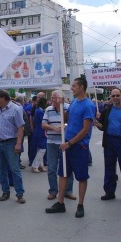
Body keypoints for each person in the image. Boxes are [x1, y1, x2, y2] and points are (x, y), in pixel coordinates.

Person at [45, 78, 94, 217]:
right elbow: (67, 119)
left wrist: (70, 143)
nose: (72, 88)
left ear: (82, 87)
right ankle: (60, 203)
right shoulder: (73, 103)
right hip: (67, 143)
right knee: (63, 173)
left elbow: (85, 129)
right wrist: (62, 106)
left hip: (79, 146)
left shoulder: (88, 105)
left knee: (82, 176)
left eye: (74, 86)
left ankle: (80, 205)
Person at [94, 87, 121, 203]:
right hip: (109, 141)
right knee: (109, 168)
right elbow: (102, 125)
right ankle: (109, 192)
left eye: (117, 95)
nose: (115, 98)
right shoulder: (107, 109)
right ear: (110, 97)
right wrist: (97, 124)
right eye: (113, 96)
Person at [0, 90, 26, 204]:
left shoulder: (16, 109)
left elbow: (20, 127)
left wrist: (18, 143)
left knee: (14, 168)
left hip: (10, 143)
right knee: (0, 168)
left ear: (3, 98)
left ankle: (19, 193)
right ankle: (5, 191)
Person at [41, 90, 74, 201]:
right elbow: (43, 124)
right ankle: (53, 191)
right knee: (51, 168)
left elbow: (73, 122)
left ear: (61, 99)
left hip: (65, 142)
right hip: (51, 142)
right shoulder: (49, 109)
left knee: (67, 167)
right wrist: (54, 128)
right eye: (52, 98)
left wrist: (64, 126)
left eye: (54, 98)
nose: (52, 101)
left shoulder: (69, 108)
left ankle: (68, 191)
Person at [30, 97, 48, 173]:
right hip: (41, 130)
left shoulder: (39, 110)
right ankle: (35, 166)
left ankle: (40, 165)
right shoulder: (39, 111)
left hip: (40, 130)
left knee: (40, 149)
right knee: (42, 148)